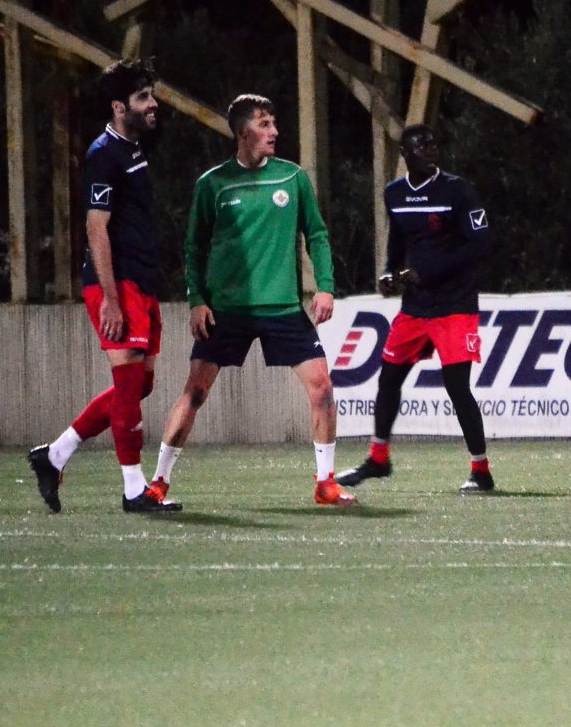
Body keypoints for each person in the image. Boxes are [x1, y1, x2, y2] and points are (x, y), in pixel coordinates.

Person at [150, 94, 355, 506]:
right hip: (226, 310)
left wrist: (326, 286)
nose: (274, 131)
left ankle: (325, 483)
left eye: (273, 123)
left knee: (322, 388)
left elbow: (316, 234)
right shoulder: (212, 184)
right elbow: (194, 248)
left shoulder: (292, 178)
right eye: (264, 124)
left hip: (282, 308)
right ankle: (158, 483)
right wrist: (197, 300)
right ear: (244, 133)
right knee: (195, 392)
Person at [27, 58, 180, 514]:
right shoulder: (103, 153)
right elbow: (96, 228)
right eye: (142, 97)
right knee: (129, 382)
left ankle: (55, 454)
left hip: (141, 281)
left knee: (141, 385)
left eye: (151, 95)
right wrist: (111, 300)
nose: (152, 104)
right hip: (116, 284)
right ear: (118, 107)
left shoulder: (134, 149)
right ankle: (134, 490)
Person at [335, 123, 495, 494]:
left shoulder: (457, 190)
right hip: (416, 307)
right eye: (421, 146)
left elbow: (481, 244)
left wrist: (428, 272)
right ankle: (378, 459)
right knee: (389, 377)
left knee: (457, 387)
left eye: (433, 144)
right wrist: (389, 272)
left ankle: (481, 471)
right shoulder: (395, 193)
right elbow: (398, 239)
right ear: (405, 154)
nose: (430, 150)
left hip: (455, 304)